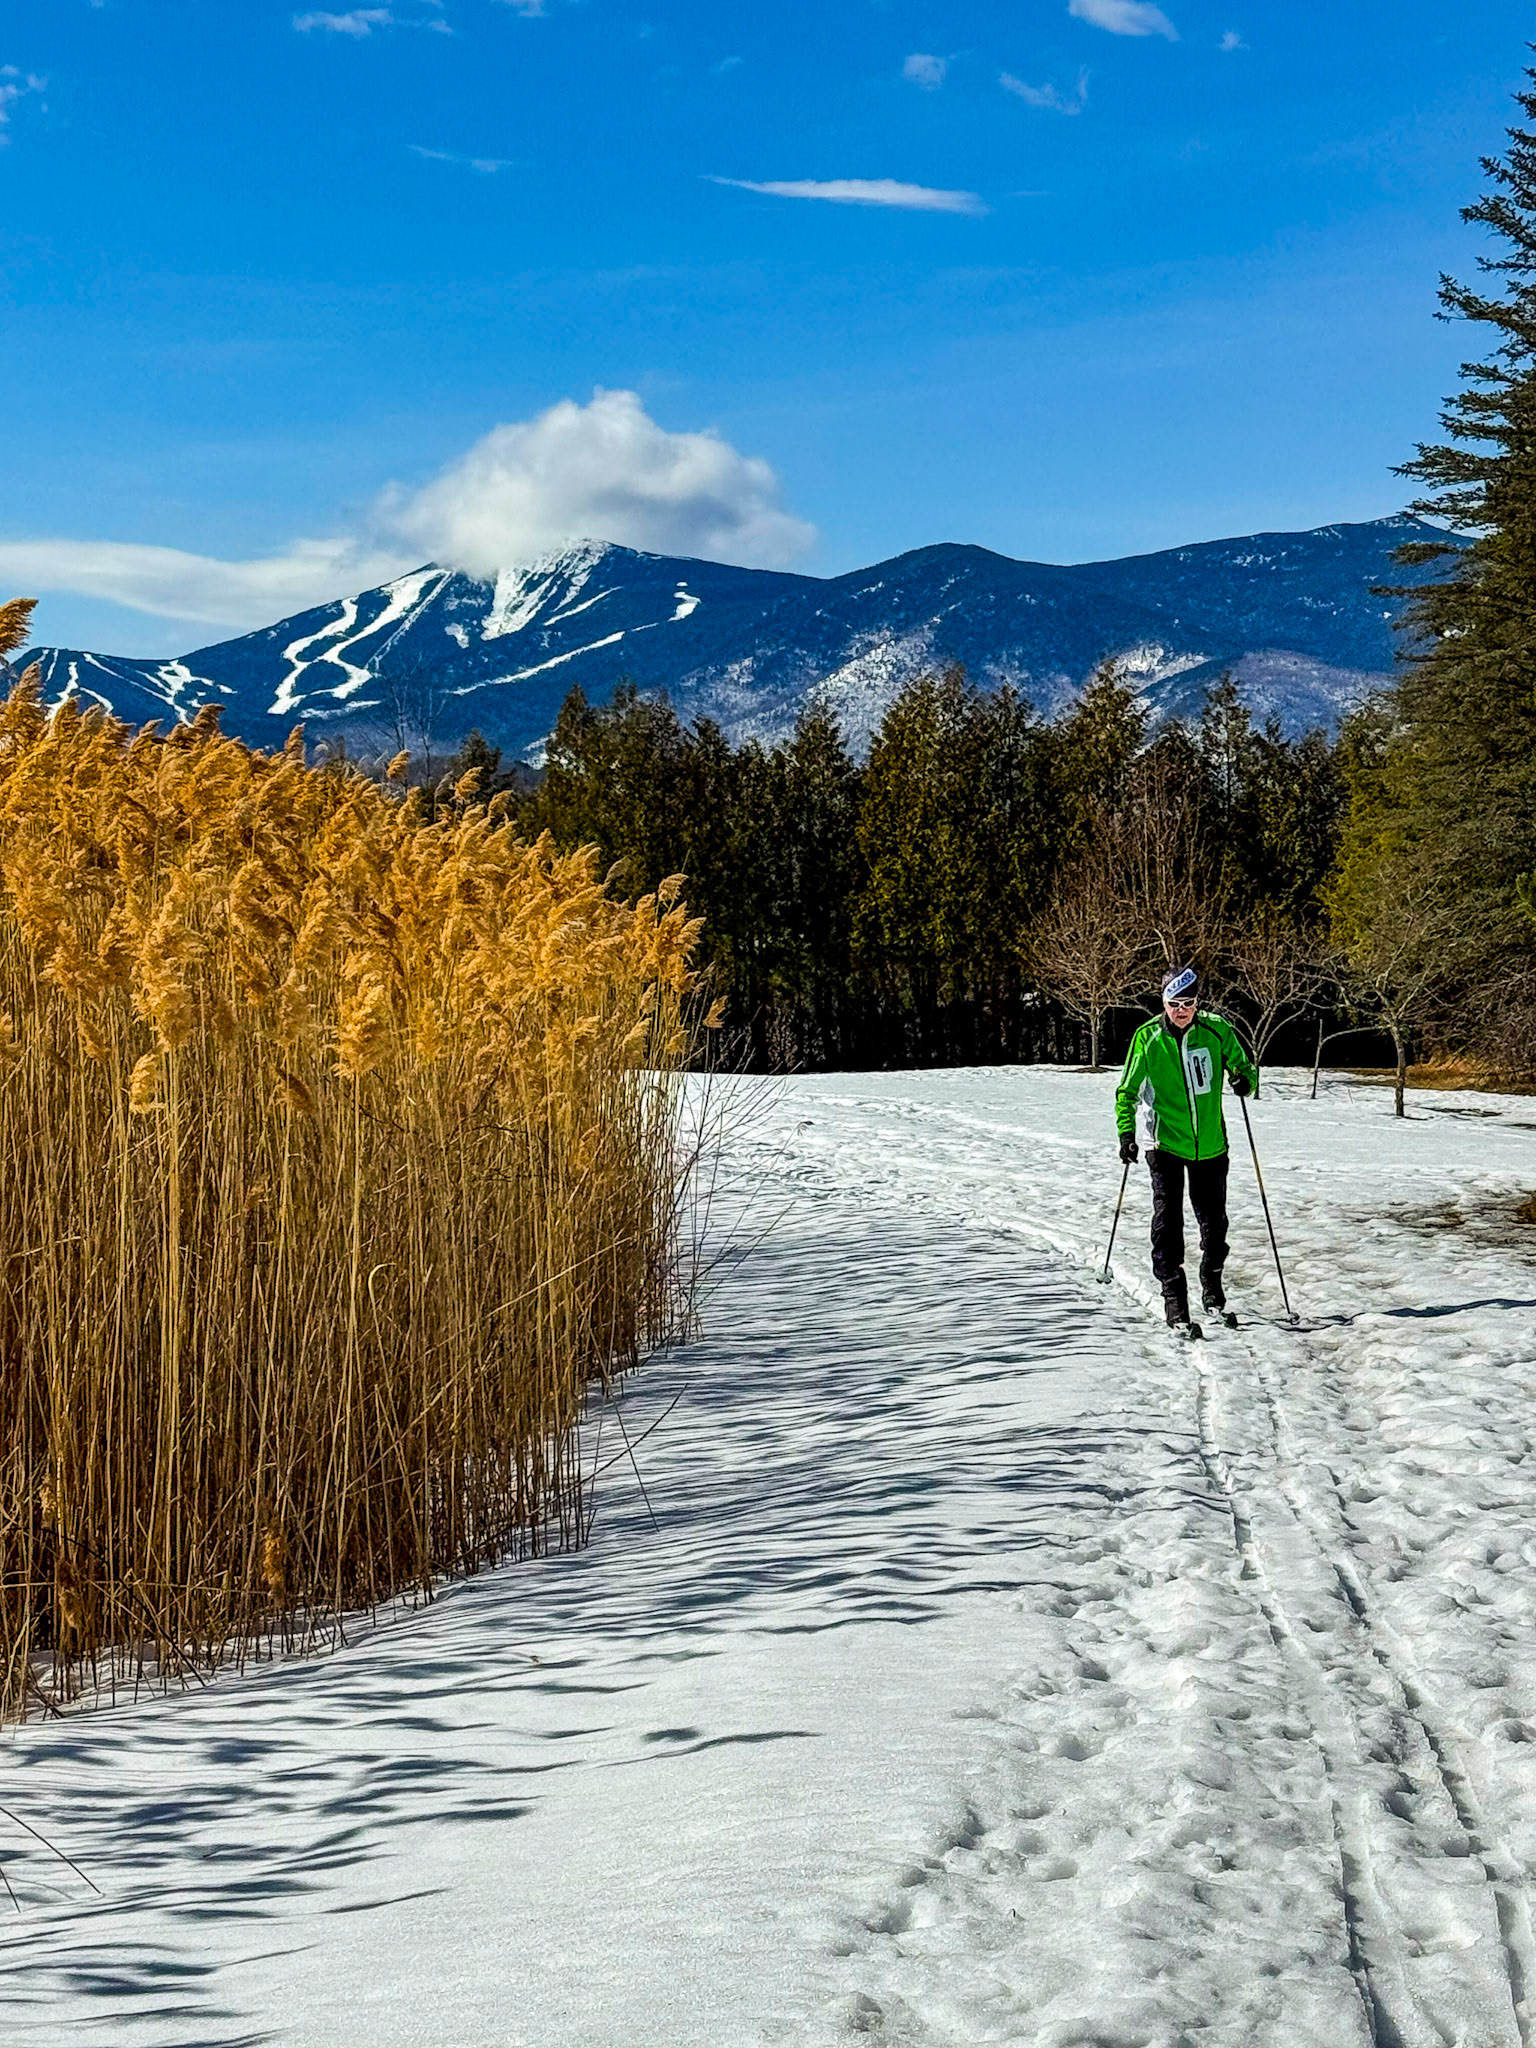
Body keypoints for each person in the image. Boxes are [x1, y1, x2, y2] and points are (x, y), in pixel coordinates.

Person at [1113, 966, 1259, 1330]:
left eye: (1188, 1003)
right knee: (1168, 1224)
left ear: (1197, 1002)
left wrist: (1244, 1080)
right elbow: (1126, 1093)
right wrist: (1126, 1135)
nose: (1181, 1010)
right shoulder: (1147, 1038)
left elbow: (1245, 1068)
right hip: (1164, 1145)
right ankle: (1175, 1301)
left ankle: (1212, 1287)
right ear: (1163, 1002)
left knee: (1214, 1227)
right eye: (1174, 1003)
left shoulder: (1216, 1030)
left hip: (1210, 1145)